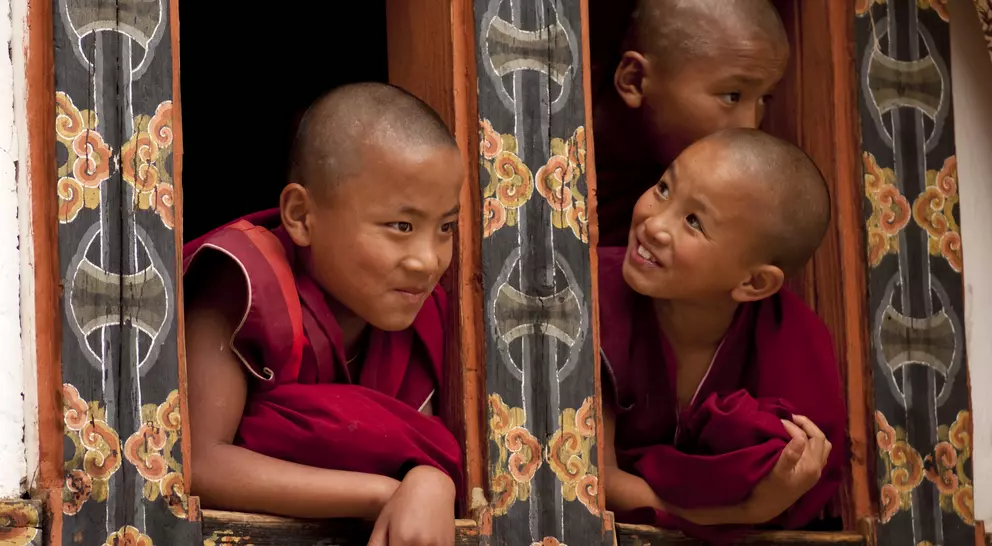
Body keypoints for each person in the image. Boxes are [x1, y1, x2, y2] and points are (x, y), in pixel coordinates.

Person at [184, 83, 464, 546]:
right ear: (300, 216)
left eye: (446, 228)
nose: (427, 260)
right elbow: (197, 462)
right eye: (401, 226)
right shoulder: (243, 282)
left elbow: (417, 447)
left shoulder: (427, 321)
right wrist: (383, 493)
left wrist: (432, 481)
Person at [598, 129, 846, 543]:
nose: (654, 224)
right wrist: (746, 511)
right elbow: (596, 480)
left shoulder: (793, 340)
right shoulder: (590, 295)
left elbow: (801, 479)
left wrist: (771, 496)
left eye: (694, 221)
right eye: (663, 188)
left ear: (753, 283)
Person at [592, 0, 790, 246]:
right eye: (732, 96)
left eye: (764, 99)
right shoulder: (543, 109)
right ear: (635, 80)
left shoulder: (688, 192)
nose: (750, 127)